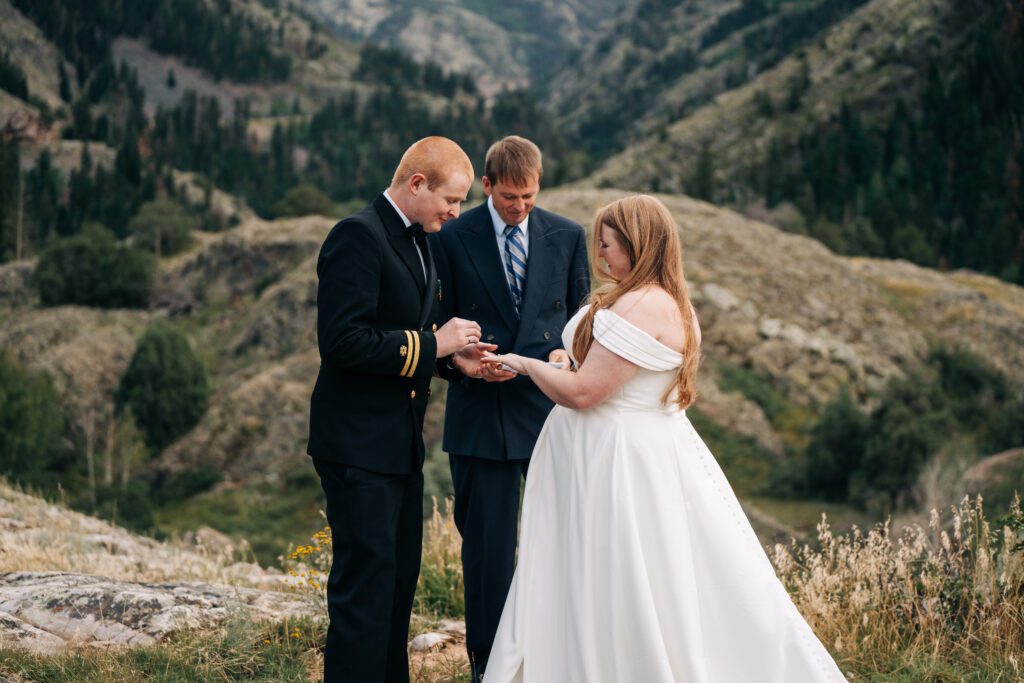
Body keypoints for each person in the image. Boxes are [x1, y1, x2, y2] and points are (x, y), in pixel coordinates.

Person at [481, 195, 847, 682]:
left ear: (638, 244)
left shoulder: (644, 304)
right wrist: (563, 363)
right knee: (620, 576)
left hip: (617, 463)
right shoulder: (652, 297)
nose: (601, 257)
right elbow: (606, 373)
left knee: (621, 577)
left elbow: (587, 393)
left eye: (608, 245)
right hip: (622, 453)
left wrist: (522, 363)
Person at [307, 136, 496, 683]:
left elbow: (407, 336)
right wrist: (433, 345)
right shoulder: (357, 237)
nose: (456, 213)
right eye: (452, 200)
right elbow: (342, 342)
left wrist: (453, 361)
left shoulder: (423, 240)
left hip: (398, 444)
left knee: (396, 587)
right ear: (418, 183)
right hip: (357, 444)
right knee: (364, 593)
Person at [428, 135, 590, 681]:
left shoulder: (567, 236)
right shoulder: (451, 236)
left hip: (548, 412)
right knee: (488, 557)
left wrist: (565, 354)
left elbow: (581, 322)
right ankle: (488, 667)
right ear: (488, 186)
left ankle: (556, 661)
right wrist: (461, 361)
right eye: (509, 197)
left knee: (561, 545)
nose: (519, 207)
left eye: (529, 196)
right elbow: (435, 325)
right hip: (479, 416)